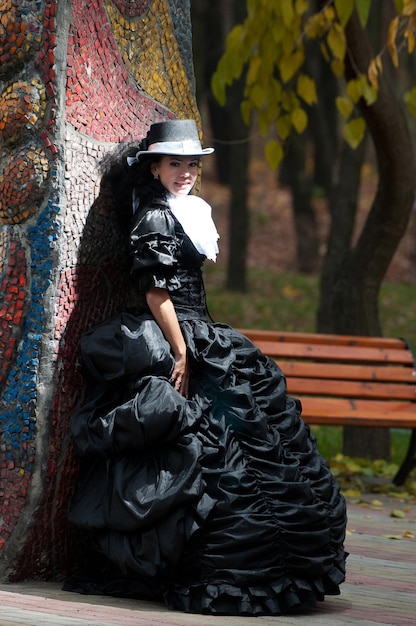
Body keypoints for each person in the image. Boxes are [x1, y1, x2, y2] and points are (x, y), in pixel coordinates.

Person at [65, 119, 347, 616]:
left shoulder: (187, 211)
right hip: (178, 335)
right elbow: (157, 293)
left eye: (192, 164)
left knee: (253, 443)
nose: (186, 172)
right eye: (176, 164)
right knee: (204, 449)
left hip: (202, 333)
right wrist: (180, 351)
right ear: (154, 167)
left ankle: (276, 566)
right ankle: (207, 568)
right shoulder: (153, 216)